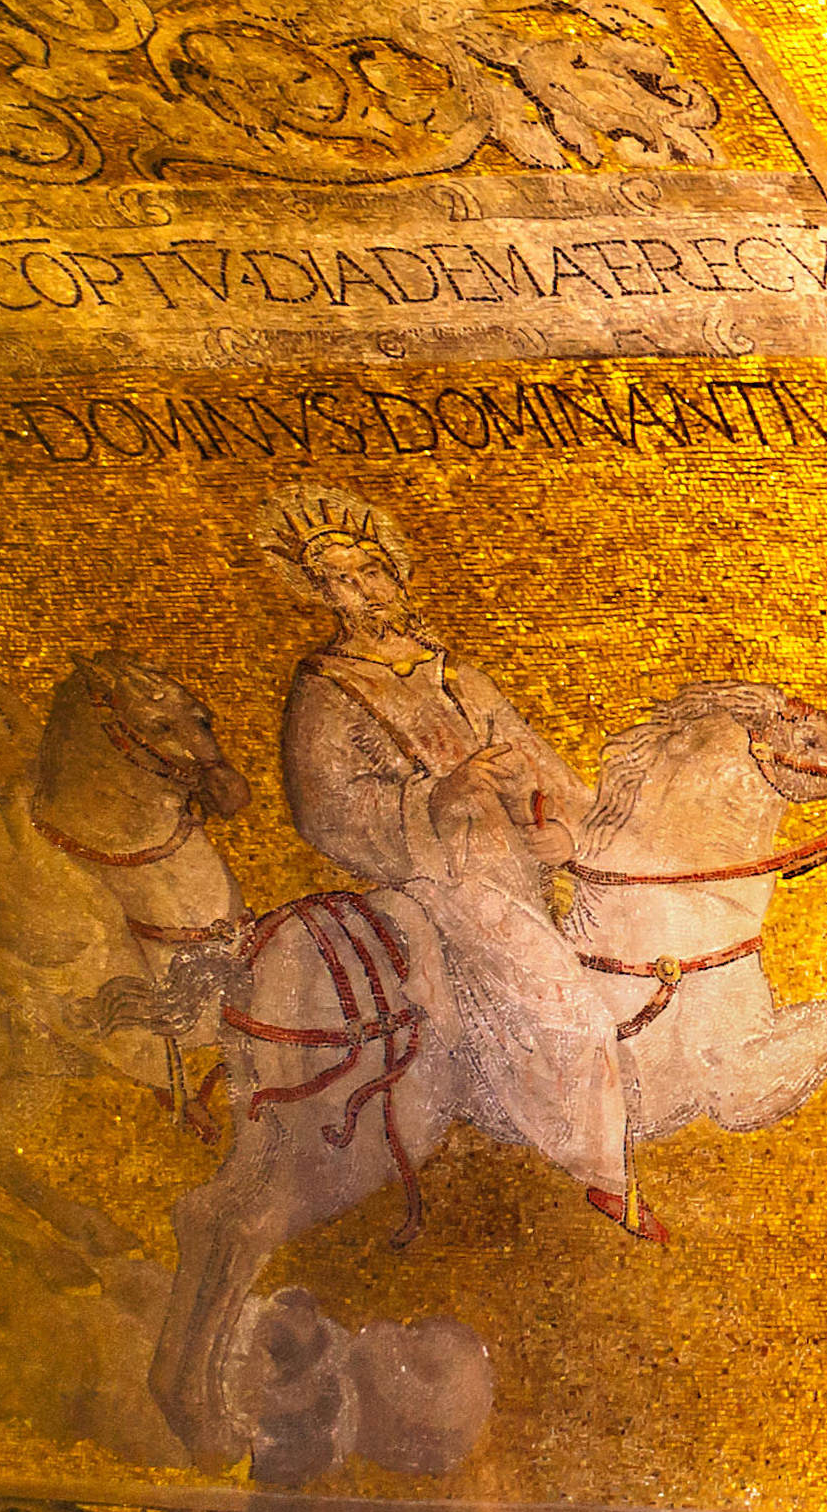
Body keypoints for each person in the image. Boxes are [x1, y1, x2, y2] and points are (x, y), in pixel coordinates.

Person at [264, 487, 637, 1234]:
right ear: (320, 593)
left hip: (524, 869)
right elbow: (325, 811)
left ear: (396, 573)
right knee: (574, 1009)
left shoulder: (455, 673)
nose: (361, 592)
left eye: (370, 570)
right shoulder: (325, 686)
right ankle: (604, 1171)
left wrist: (567, 833)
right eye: (338, 579)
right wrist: (442, 794)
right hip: (437, 878)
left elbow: (543, 766)